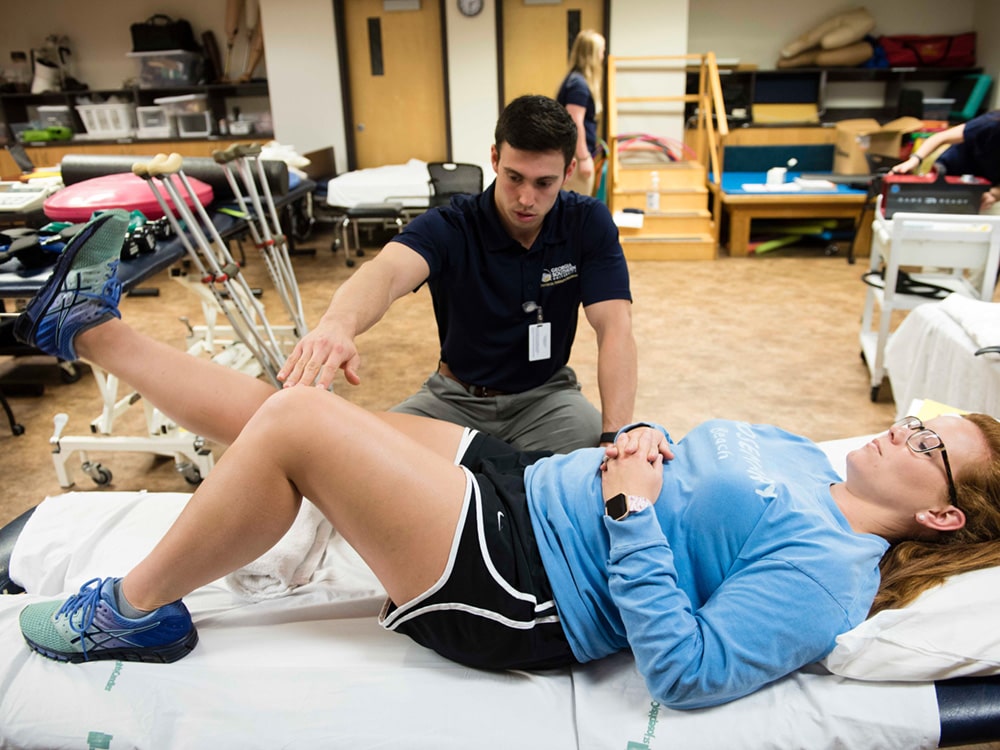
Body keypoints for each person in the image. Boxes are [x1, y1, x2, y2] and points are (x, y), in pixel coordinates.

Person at [13, 211, 1000, 709]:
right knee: (292, 406)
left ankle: (128, 613)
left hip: (527, 587)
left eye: (929, 447)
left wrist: (630, 513)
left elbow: (687, 675)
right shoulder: (810, 458)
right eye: (924, 418)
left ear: (945, 515)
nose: (905, 429)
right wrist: (643, 442)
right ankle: (85, 329)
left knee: (296, 431)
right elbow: (686, 470)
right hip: (522, 490)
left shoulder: (830, 574)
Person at [280, 94, 636, 454]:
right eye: (515, 178)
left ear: (568, 172)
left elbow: (615, 327)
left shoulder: (587, 222)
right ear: (495, 159)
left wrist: (614, 436)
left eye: (544, 183)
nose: (526, 198)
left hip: (548, 402)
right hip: (454, 401)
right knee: (367, 457)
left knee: (590, 467)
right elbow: (384, 273)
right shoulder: (452, 225)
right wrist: (339, 323)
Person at [891, 111, 1000, 212]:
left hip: (981, 188)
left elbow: (995, 193)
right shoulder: (990, 123)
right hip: (950, 172)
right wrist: (915, 160)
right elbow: (940, 138)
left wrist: (993, 194)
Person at [556, 29, 606, 196]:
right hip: (576, 157)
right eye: (601, 52)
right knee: (577, 212)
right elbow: (575, 121)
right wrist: (584, 158)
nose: (602, 57)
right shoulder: (579, 84)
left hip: (572, 155)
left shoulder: (574, 80)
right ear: (592, 54)